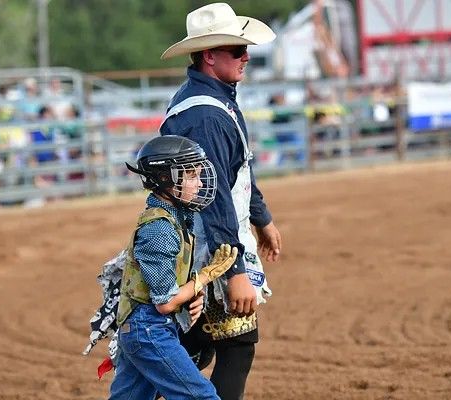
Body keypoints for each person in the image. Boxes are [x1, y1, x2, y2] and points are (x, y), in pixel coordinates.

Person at [159, 3, 282, 399]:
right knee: (234, 344)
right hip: (207, 250)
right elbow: (211, 200)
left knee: (193, 349)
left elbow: (235, 170)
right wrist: (234, 272)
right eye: (236, 50)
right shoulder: (208, 116)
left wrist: (260, 217)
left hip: (195, 245)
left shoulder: (204, 101)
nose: (246, 56)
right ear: (210, 56)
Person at [107, 135, 238, 400]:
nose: (200, 183)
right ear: (165, 178)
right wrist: (204, 277)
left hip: (143, 329)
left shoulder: (175, 219)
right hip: (150, 330)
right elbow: (165, 303)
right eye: (191, 175)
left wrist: (195, 293)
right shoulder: (160, 229)